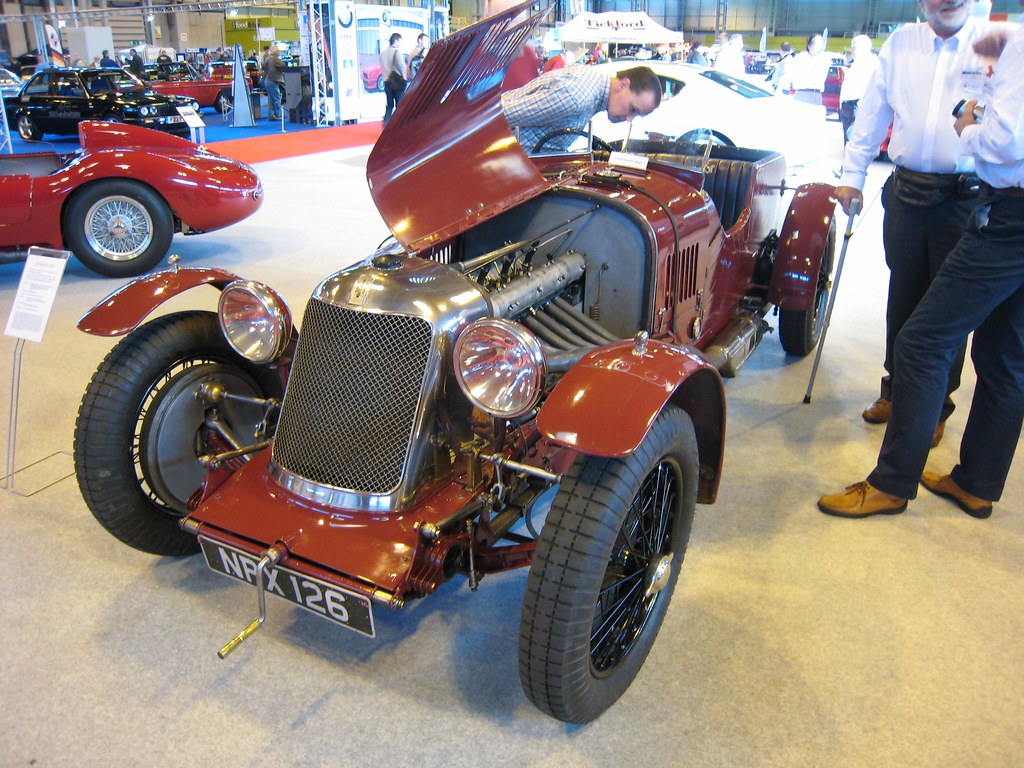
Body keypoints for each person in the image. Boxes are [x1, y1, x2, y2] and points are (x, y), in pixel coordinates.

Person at [818, 23, 1024, 520]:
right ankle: (976, 482)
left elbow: (1005, 143)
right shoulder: (910, 43)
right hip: (947, 200)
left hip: (1002, 215)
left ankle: (891, 483)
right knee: (1004, 355)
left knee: (923, 342)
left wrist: (968, 125)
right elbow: (873, 109)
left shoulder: (1008, 42)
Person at [834, 0, 999, 443]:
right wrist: (853, 176)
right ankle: (895, 390)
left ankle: (936, 405)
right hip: (906, 195)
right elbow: (871, 114)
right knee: (903, 295)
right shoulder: (900, 42)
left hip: (965, 198)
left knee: (947, 309)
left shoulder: (996, 44)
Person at [501, 64, 662, 154]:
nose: (629, 119)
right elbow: (500, 116)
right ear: (624, 84)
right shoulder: (577, 97)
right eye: (633, 109)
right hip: (502, 165)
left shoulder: (590, 85)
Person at [838, 35, 880, 145]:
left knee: (855, 143)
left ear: (865, 47)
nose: (852, 50)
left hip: (859, 106)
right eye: (852, 47)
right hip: (848, 106)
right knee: (848, 143)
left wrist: (861, 104)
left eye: (855, 47)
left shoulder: (873, 63)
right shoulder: (855, 64)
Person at [777, 33, 831, 105]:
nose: (819, 45)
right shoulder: (799, 57)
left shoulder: (824, 59)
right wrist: (784, 93)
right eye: (816, 42)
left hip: (816, 94)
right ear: (809, 44)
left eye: (821, 43)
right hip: (800, 93)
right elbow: (788, 75)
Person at [380, 32, 406, 125]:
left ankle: (386, 123)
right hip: (397, 82)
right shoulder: (397, 52)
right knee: (400, 104)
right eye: (399, 40)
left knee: (389, 104)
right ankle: (400, 124)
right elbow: (401, 66)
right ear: (395, 40)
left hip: (386, 81)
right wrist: (404, 79)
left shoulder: (382, 53)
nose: (400, 43)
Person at [263, 45, 285, 120]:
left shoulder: (268, 59)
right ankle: (277, 114)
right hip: (273, 80)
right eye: (278, 50)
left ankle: (271, 115)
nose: (279, 51)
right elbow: (283, 65)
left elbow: (264, 70)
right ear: (275, 51)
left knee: (271, 99)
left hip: (267, 80)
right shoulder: (275, 59)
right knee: (277, 98)